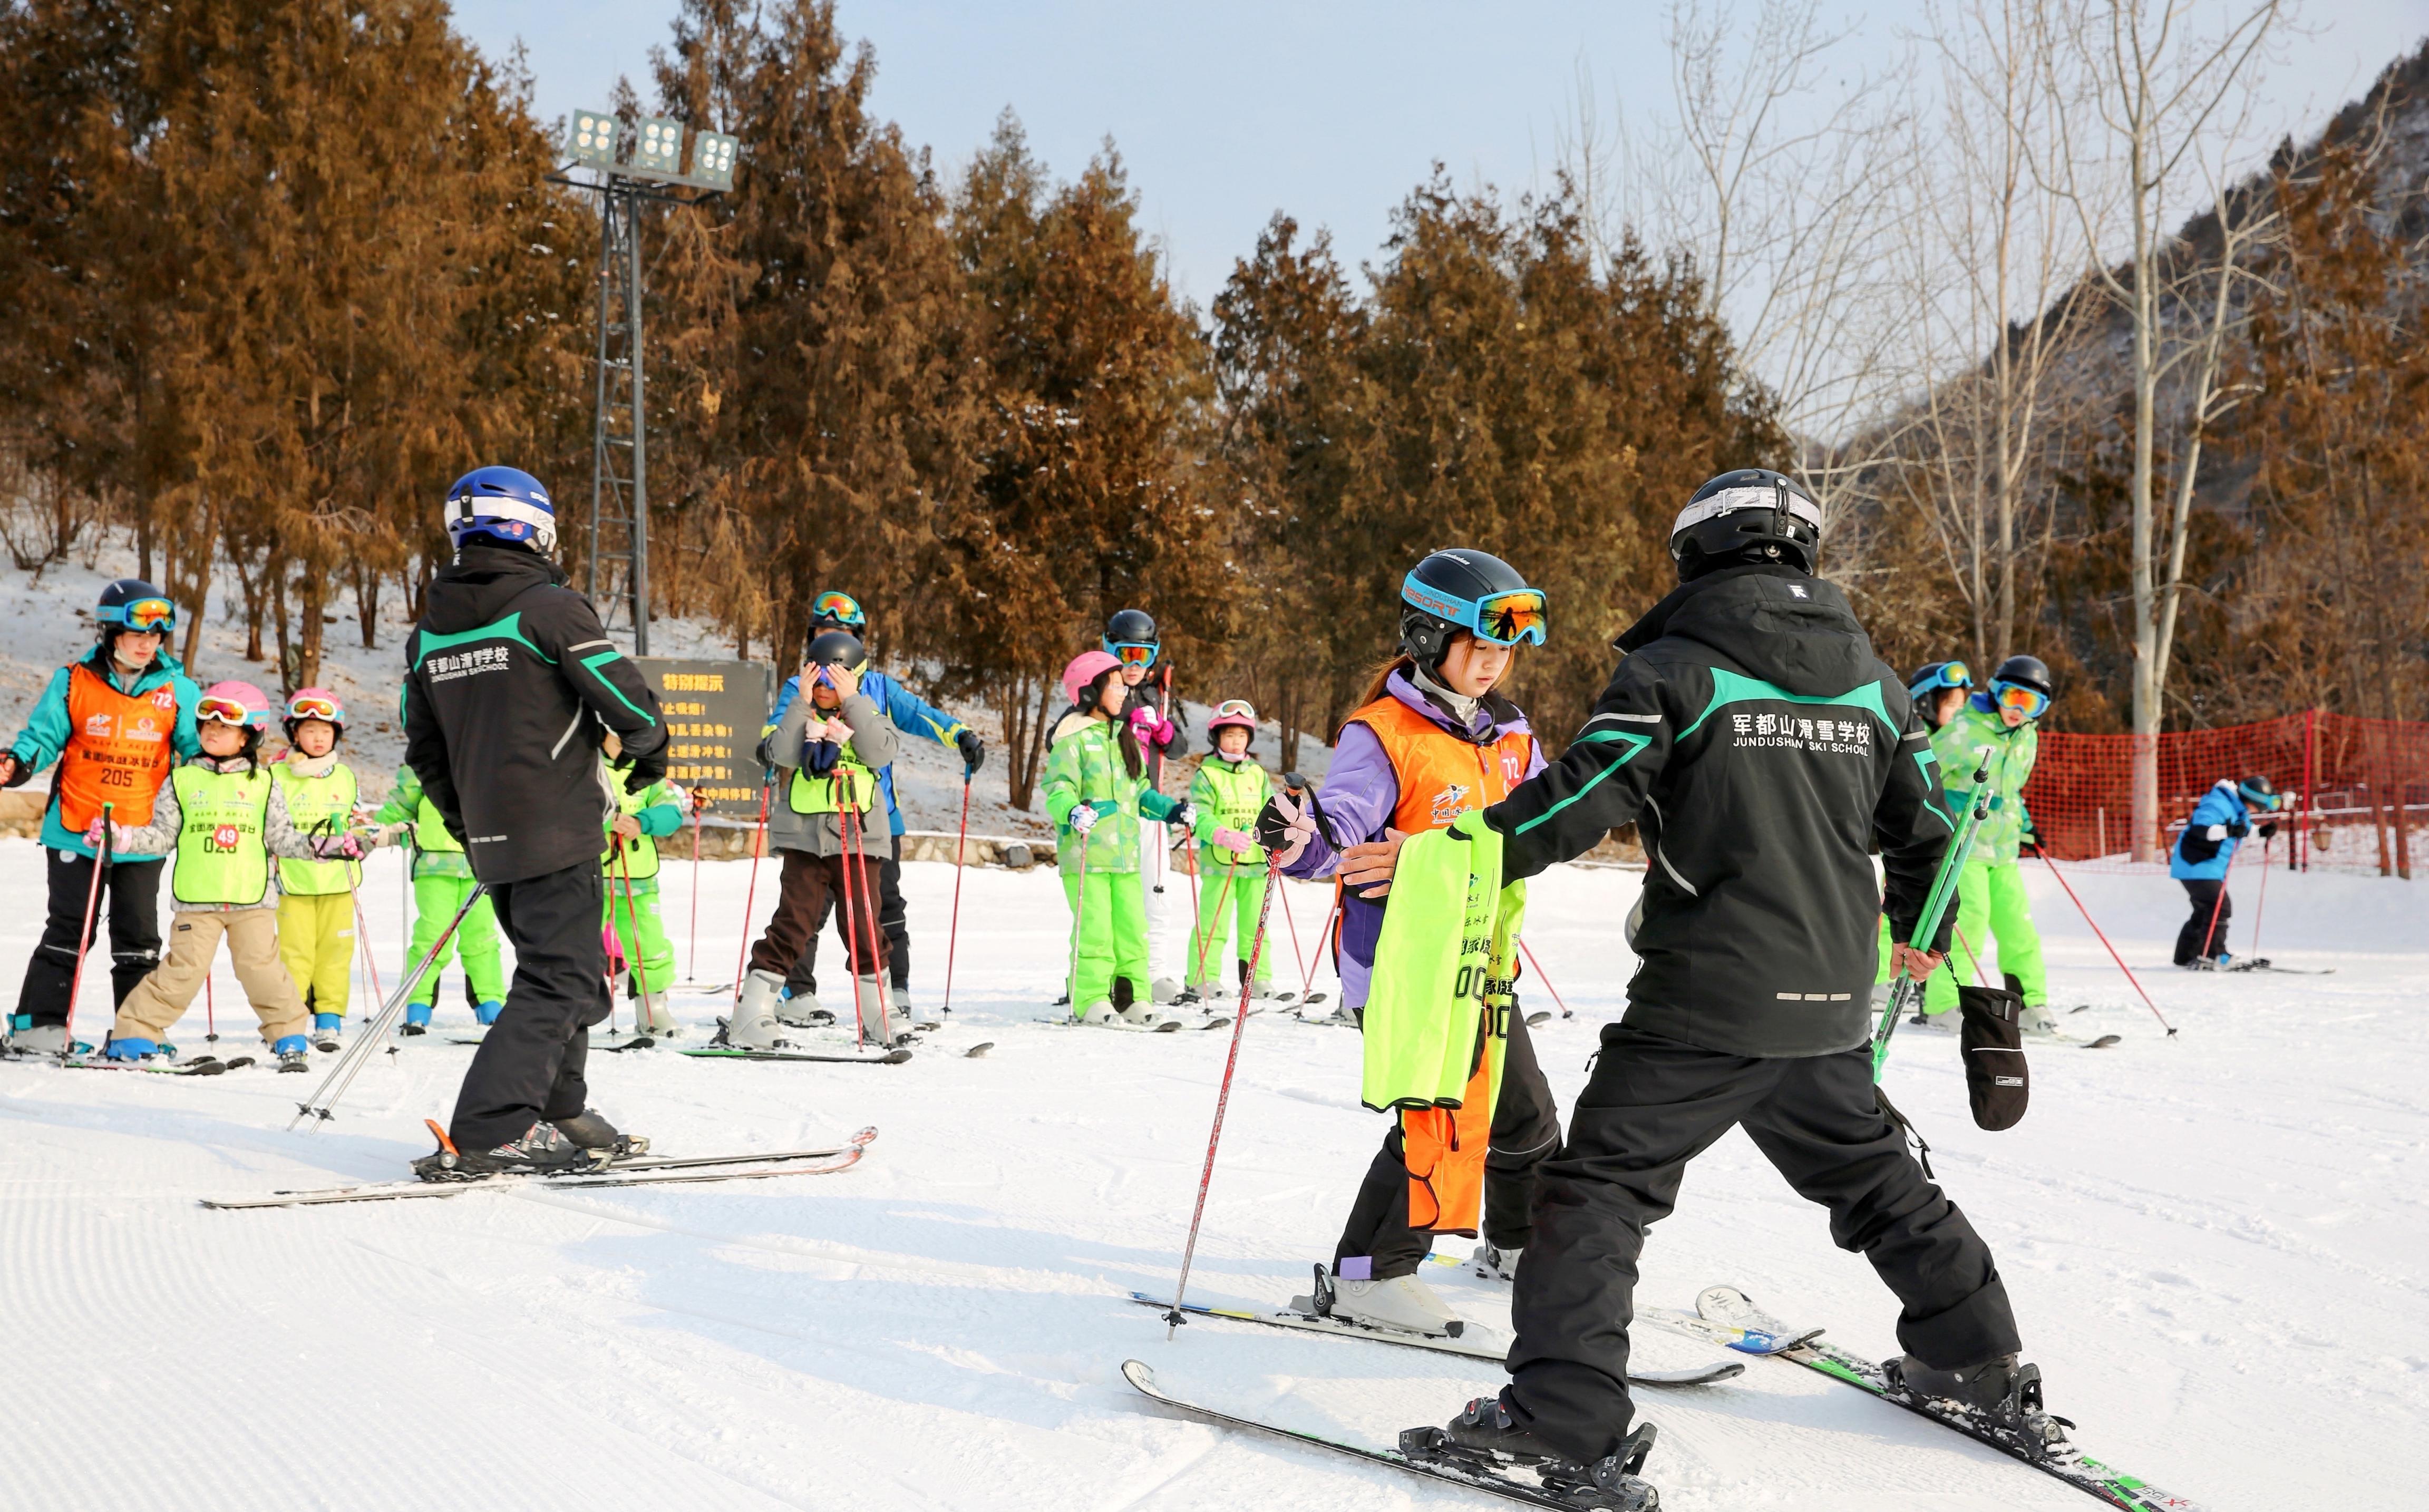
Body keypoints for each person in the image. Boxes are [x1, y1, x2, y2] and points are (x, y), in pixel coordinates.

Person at [1351, 471, 2045, 1509]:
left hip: (1704, 1002)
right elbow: (1931, 836)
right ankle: (1978, 1364)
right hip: (1826, 998)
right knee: (1877, 1181)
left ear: (1695, 560)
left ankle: (1559, 1424)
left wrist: (1450, 851)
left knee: (1596, 1193)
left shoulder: (1676, 670)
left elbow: (1582, 798)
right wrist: (1925, 931)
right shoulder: (1876, 686)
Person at [1259, 548, 1562, 1335]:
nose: (1494, 664)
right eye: (1479, 647)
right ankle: (1368, 1274)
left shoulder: (1511, 733)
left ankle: (1517, 1242)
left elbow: (1546, 819)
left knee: (1523, 1115)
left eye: (1503, 650)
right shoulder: (1385, 732)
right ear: (1429, 639)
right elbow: (1342, 829)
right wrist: (1303, 838)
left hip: (1478, 961)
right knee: (1435, 1115)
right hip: (1400, 961)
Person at [402, 465, 668, 1177]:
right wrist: (648, 754)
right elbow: (628, 700)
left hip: (494, 836)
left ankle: (561, 1108)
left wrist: (467, 821)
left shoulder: (428, 633)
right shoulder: (546, 608)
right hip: (556, 826)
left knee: (572, 975)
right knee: (561, 977)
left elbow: (423, 750)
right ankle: (490, 1128)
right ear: (537, 528)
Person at [102, 681, 364, 1071]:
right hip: (198, 899)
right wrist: (122, 837)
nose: (213, 731)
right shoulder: (182, 780)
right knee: (181, 972)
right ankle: (134, 1033)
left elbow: (282, 837)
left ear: (249, 735)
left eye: (225, 726)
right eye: (207, 723)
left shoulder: (265, 782)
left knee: (262, 970)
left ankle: (288, 1032)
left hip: (252, 899)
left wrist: (321, 846)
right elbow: (161, 834)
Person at [1, 579, 201, 1057]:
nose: (147, 644)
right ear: (111, 633)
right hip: (76, 825)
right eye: (137, 634)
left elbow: (197, 752)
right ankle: (38, 1030)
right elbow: (42, 737)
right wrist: (16, 763)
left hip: (142, 834)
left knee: (138, 938)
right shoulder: (74, 680)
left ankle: (138, 1031)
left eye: (155, 637)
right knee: (70, 930)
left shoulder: (180, 689)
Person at [774, 590, 985, 1027]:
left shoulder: (878, 688)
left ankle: (895, 990)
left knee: (883, 906)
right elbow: (777, 732)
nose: (833, 641)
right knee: (807, 910)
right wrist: (767, 741)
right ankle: (797, 993)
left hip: (875, 820)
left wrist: (960, 734)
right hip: (815, 822)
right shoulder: (801, 687)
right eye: (824, 631)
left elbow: (922, 716)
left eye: (844, 633)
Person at [727, 629, 901, 1050]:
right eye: (818, 680)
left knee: (864, 925)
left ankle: (880, 1012)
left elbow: (880, 752)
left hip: (857, 841)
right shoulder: (800, 714)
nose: (825, 690)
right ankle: (752, 1014)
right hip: (807, 842)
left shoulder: (870, 714)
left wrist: (854, 700)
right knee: (795, 923)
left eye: (833, 681)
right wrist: (800, 700)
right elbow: (782, 753)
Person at [1042, 650, 1192, 1025]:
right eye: (1114, 684)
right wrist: (1073, 810)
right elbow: (1058, 788)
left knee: (1132, 929)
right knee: (1096, 930)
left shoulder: (1124, 738)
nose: (1124, 690)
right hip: (1088, 855)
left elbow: (1140, 792)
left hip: (1126, 855)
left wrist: (1170, 810)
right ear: (1090, 692)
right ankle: (1091, 997)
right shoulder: (1072, 740)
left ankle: (1133, 997)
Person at [1918, 655, 2054, 1033]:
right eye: (2013, 696)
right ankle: (1944, 1003)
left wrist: (2026, 825)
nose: (2018, 709)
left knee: (2019, 927)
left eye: (2031, 703)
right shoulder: (1965, 729)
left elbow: (2011, 792)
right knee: (1969, 922)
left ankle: (2030, 1002)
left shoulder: (2028, 737)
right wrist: (1946, 808)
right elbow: (1923, 775)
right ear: (1995, 691)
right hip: (1965, 847)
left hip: (2004, 849)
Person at [1089, 609, 1189, 1002]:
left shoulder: (1155, 697)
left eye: (1142, 656)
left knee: (1157, 892)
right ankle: (1104, 974)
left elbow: (1179, 748)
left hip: (1150, 808)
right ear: (1109, 648)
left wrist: (1161, 728)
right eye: (1125, 653)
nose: (1133, 665)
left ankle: (1154, 970)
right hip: (1112, 812)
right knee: (1113, 898)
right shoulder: (1098, 692)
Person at [369, 760, 506, 1033]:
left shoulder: (487, 758)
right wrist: (374, 828)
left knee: (481, 937)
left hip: (481, 865)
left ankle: (490, 1003)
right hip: (435, 865)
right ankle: (418, 1005)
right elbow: (400, 806)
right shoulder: (427, 757)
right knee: (432, 936)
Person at [270, 689, 367, 1051]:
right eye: (310, 730)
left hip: (338, 883)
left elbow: (358, 823)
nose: (318, 737)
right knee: (295, 955)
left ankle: (329, 1017)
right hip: (294, 881)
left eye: (326, 730)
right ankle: (292, 1020)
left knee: (335, 953)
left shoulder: (344, 776)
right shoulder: (277, 774)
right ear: (295, 733)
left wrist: (364, 837)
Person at [1183, 699, 1278, 1003]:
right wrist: (1221, 834)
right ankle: (1203, 978)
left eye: (1241, 735)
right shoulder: (1207, 775)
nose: (1235, 742)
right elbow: (1200, 814)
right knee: (1214, 923)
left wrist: (1279, 834)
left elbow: (1272, 809)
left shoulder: (1258, 774)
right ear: (1217, 738)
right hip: (1220, 863)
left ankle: (1257, 979)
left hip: (1255, 863)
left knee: (1256, 924)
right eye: (1229, 736)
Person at [600, 733, 685, 1036]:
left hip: (637, 879)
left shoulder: (646, 770)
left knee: (650, 947)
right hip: (588, 877)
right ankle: (565, 1012)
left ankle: (654, 1011)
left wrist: (641, 822)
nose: (626, 740)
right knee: (575, 948)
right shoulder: (584, 763)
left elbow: (672, 810)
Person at [2171, 775, 2279, 969]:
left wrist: (2259, 833)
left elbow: (2240, 829)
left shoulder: (2236, 807)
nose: (2258, 812)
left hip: (2203, 866)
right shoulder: (2218, 803)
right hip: (2197, 863)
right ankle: (2215, 955)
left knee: (2204, 910)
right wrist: (2227, 832)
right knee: (2220, 906)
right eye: (2259, 807)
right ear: (2251, 800)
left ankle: (2185, 956)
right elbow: (2201, 829)